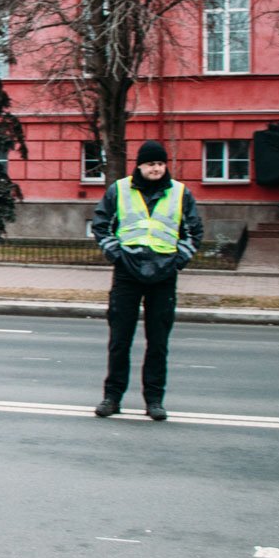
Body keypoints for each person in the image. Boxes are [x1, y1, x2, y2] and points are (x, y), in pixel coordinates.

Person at [91, 140, 204, 421]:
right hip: (127, 273)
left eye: (160, 164)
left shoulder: (180, 193)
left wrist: (179, 260)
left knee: (158, 342)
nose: (156, 168)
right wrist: (115, 254)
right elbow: (101, 225)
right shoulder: (119, 190)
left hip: (164, 275)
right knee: (120, 339)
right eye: (151, 164)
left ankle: (154, 400)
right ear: (139, 165)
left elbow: (194, 231)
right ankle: (112, 398)